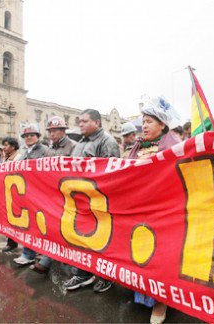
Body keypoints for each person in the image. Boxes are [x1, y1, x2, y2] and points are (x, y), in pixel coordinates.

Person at [127, 96, 181, 324]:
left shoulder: (176, 146)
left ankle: (161, 302)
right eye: (143, 121)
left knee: (160, 258)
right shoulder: (137, 146)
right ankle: (143, 296)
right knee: (141, 253)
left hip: (164, 212)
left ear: (162, 124)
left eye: (149, 121)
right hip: (139, 210)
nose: (145, 126)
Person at [64, 109, 120, 293]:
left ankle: (106, 276)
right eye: (79, 121)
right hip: (79, 202)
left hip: (99, 204)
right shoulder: (80, 143)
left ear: (97, 122)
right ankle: (83, 274)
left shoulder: (107, 142)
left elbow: (113, 175)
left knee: (103, 242)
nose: (80, 124)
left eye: (85, 121)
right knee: (80, 239)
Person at [29, 116, 76, 274]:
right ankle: (47, 260)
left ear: (63, 131)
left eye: (55, 130)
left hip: (69, 195)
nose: (52, 133)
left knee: (67, 230)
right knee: (53, 229)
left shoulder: (73, 147)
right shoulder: (49, 150)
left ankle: (61, 263)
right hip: (53, 195)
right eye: (50, 131)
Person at [13, 123, 52, 265]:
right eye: (26, 136)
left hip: (41, 194)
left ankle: (45, 255)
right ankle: (28, 254)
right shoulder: (23, 153)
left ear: (38, 137)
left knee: (43, 226)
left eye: (32, 135)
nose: (29, 138)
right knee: (28, 225)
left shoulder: (46, 151)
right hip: (26, 193)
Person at [0, 137, 20, 252]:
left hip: (15, 191)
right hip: (7, 190)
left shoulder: (18, 157)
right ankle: (11, 241)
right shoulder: (5, 158)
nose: (4, 147)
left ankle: (12, 242)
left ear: (13, 146)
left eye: (6, 145)